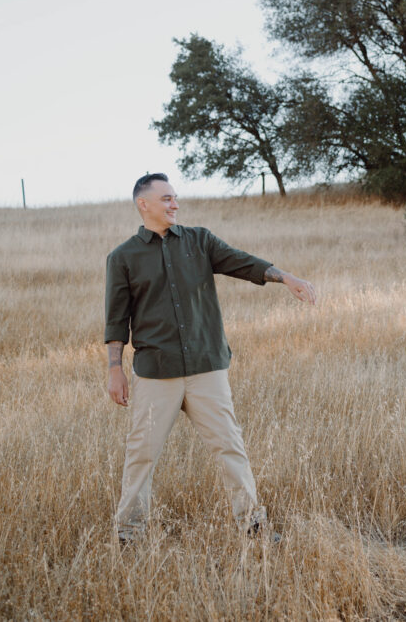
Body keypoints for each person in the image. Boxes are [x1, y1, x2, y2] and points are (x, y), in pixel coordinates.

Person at [105, 173, 316, 545]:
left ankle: (254, 527)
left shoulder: (200, 240)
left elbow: (242, 262)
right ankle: (129, 533)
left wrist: (285, 277)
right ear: (144, 204)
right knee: (141, 454)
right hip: (156, 372)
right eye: (167, 199)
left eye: (176, 198)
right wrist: (114, 369)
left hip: (207, 366)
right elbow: (116, 318)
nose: (175, 204)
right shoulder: (123, 257)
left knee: (230, 446)